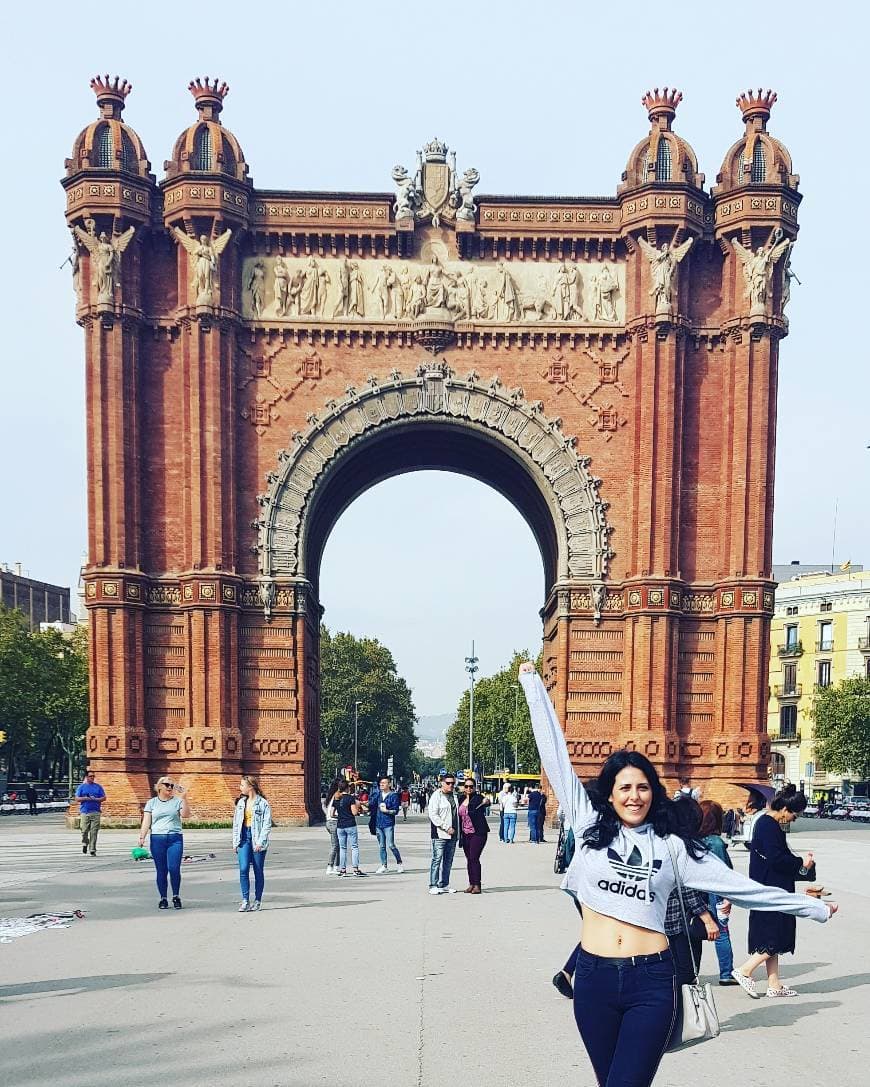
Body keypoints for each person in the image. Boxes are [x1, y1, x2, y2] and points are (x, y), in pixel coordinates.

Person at [518, 662, 837, 1087]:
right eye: (625, 788)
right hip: (593, 979)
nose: (634, 796)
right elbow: (556, 756)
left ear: (654, 792)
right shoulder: (588, 824)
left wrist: (808, 907)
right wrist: (532, 686)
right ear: (609, 794)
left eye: (643, 786)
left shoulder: (672, 846)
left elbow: (743, 889)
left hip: (651, 981)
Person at [732, 785, 818, 999]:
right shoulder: (769, 825)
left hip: (768, 887)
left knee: (772, 933)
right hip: (772, 889)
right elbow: (777, 859)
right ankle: (745, 970)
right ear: (785, 809)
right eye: (794, 815)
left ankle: (774, 984)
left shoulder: (766, 823)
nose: (793, 820)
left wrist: (801, 866)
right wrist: (802, 864)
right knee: (775, 933)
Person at [699, 800, 738, 985]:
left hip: (697, 894)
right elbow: (724, 874)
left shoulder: (693, 840)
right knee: (721, 932)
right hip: (715, 893)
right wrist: (728, 898)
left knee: (695, 934)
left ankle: (692, 973)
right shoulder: (715, 842)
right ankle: (726, 973)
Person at [138, 777, 191, 909]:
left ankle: (176, 896)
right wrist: (142, 837)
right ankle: (163, 898)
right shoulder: (152, 803)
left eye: (172, 785)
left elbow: (185, 815)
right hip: (157, 838)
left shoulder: (177, 801)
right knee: (161, 870)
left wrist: (184, 797)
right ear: (159, 786)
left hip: (174, 838)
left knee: (174, 868)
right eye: (167, 785)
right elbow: (146, 821)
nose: (169, 787)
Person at [232, 776, 272, 912]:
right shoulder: (241, 803)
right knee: (243, 869)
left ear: (250, 786)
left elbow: (267, 824)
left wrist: (260, 841)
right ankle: (245, 900)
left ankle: (257, 900)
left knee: (257, 870)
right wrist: (235, 841)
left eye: (242, 785)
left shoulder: (263, 803)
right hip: (244, 837)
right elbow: (236, 823)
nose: (240, 787)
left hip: (257, 838)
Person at [428, 773, 460, 895]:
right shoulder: (436, 796)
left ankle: (444, 884)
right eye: (448, 783)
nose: (451, 785)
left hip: (453, 834)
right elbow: (433, 815)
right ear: (442, 783)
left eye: (453, 783)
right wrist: (446, 827)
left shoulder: (455, 796)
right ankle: (433, 884)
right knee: (437, 859)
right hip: (440, 834)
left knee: (448, 860)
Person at [459, 777, 490, 893]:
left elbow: (486, 802)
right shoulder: (461, 798)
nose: (468, 788)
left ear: (475, 788)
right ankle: (471, 883)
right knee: (469, 859)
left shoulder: (478, 798)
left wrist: (487, 801)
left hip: (478, 833)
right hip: (465, 833)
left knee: (474, 858)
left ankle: (477, 884)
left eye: (471, 786)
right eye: (466, 786)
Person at [369, 776, 405, 874]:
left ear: (389, 784)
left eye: (384, 783)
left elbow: (396, 811)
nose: (381, 785)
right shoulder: (378, 795)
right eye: (380, 783)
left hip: (388, 823)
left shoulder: (393, 795)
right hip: (378, 823)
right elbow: (371, 804)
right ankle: (384, 865)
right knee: (382, 846)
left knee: (391, 845)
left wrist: (387, 811)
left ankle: (399, 863)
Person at [334, 779, 364, 877]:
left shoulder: (336, 798)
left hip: (340, 825)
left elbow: (332, 813)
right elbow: (354, 812)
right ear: (347, 788)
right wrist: (358, 807)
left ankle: (343, 870)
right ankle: (355, 869)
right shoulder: (350, 798)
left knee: (343, 848)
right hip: (350, 824)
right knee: (354, 847)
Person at [75, 770, 106, 856]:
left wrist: (96, 799)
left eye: (93, 776)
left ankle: (92, 849)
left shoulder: (98, 787)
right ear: (86, 777)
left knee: (94, 831)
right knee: (84, 830)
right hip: (85, 811)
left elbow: (103, 798)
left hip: (96, 811)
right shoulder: (81, 787)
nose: (92, 778)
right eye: (90, 776)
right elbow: (77, 798)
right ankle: (85, 842)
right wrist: (86, 798)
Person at [323, 778, 343, 874]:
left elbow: (327, 808)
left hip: (330, 822)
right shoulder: (337, 796)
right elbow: (333, 812)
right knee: (335, 846)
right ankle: (330, 866)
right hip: (333, 822)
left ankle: (336, 867)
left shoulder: (331, 796)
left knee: (338, 846)